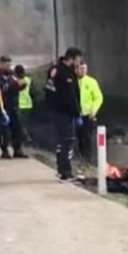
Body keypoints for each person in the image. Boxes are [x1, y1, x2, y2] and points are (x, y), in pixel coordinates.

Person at [47, 47, 83, 181]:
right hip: (62, 112)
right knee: (67, 141)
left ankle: (61, 169)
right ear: (72, 58)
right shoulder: (60, 73)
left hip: (63, 112)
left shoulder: (66, 71)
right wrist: (76, 113)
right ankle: (65, 171)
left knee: (62, 142)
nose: (79, 63)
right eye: (78, 59)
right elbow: (68, 97)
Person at [76, 62, 104, 160]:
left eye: (85, 68)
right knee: (78, 136)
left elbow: (98, 98)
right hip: (76, 114)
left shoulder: (91, 82)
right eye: (81, 68)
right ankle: (80, 155)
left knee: (88, 137)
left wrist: (94, 110)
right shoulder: (73, 81)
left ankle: (87, 158)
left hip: (88, 114)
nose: (83, 71)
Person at [15, 64, 34, 144]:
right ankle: (26, 137)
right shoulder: (28, 80)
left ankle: (24, 137)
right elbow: (33, 91)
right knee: (25, 123)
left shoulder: (15, 81)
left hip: (19, 105)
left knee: (19, 124)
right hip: (28, 104)